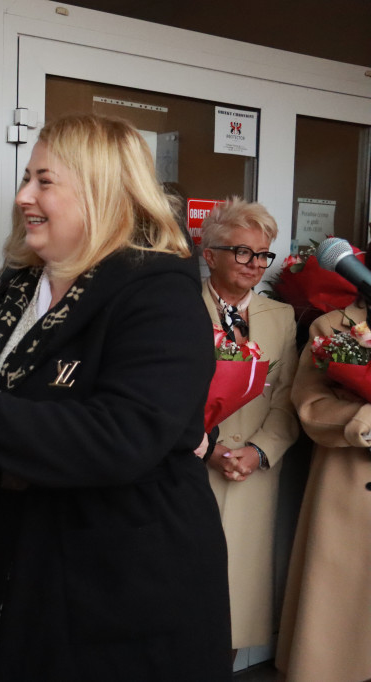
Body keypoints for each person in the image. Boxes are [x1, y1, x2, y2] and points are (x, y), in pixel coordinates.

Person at [0, 113, 231, 681]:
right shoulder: (20, 285)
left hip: (124, 577)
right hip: (24, 558)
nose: (24, 195)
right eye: (27, 177)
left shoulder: (159, 296)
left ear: (101, 189)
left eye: (44, 181)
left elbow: (123, 436)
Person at [199, 199, 299, 655]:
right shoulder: (178, 309)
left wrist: (259, 451)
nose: (254, 264)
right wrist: (208, 449)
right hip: (191, 472)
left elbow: (286, 401)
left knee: (236, 609)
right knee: (183, 602)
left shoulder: (280, 318)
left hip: (251, 478)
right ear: (209, 254)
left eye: (262, 254)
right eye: (242, 251)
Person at [276, 300, 371, 682]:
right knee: (338, 630)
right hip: (348, 487)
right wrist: (365, 420)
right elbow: (310, 407)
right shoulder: (333, 325)